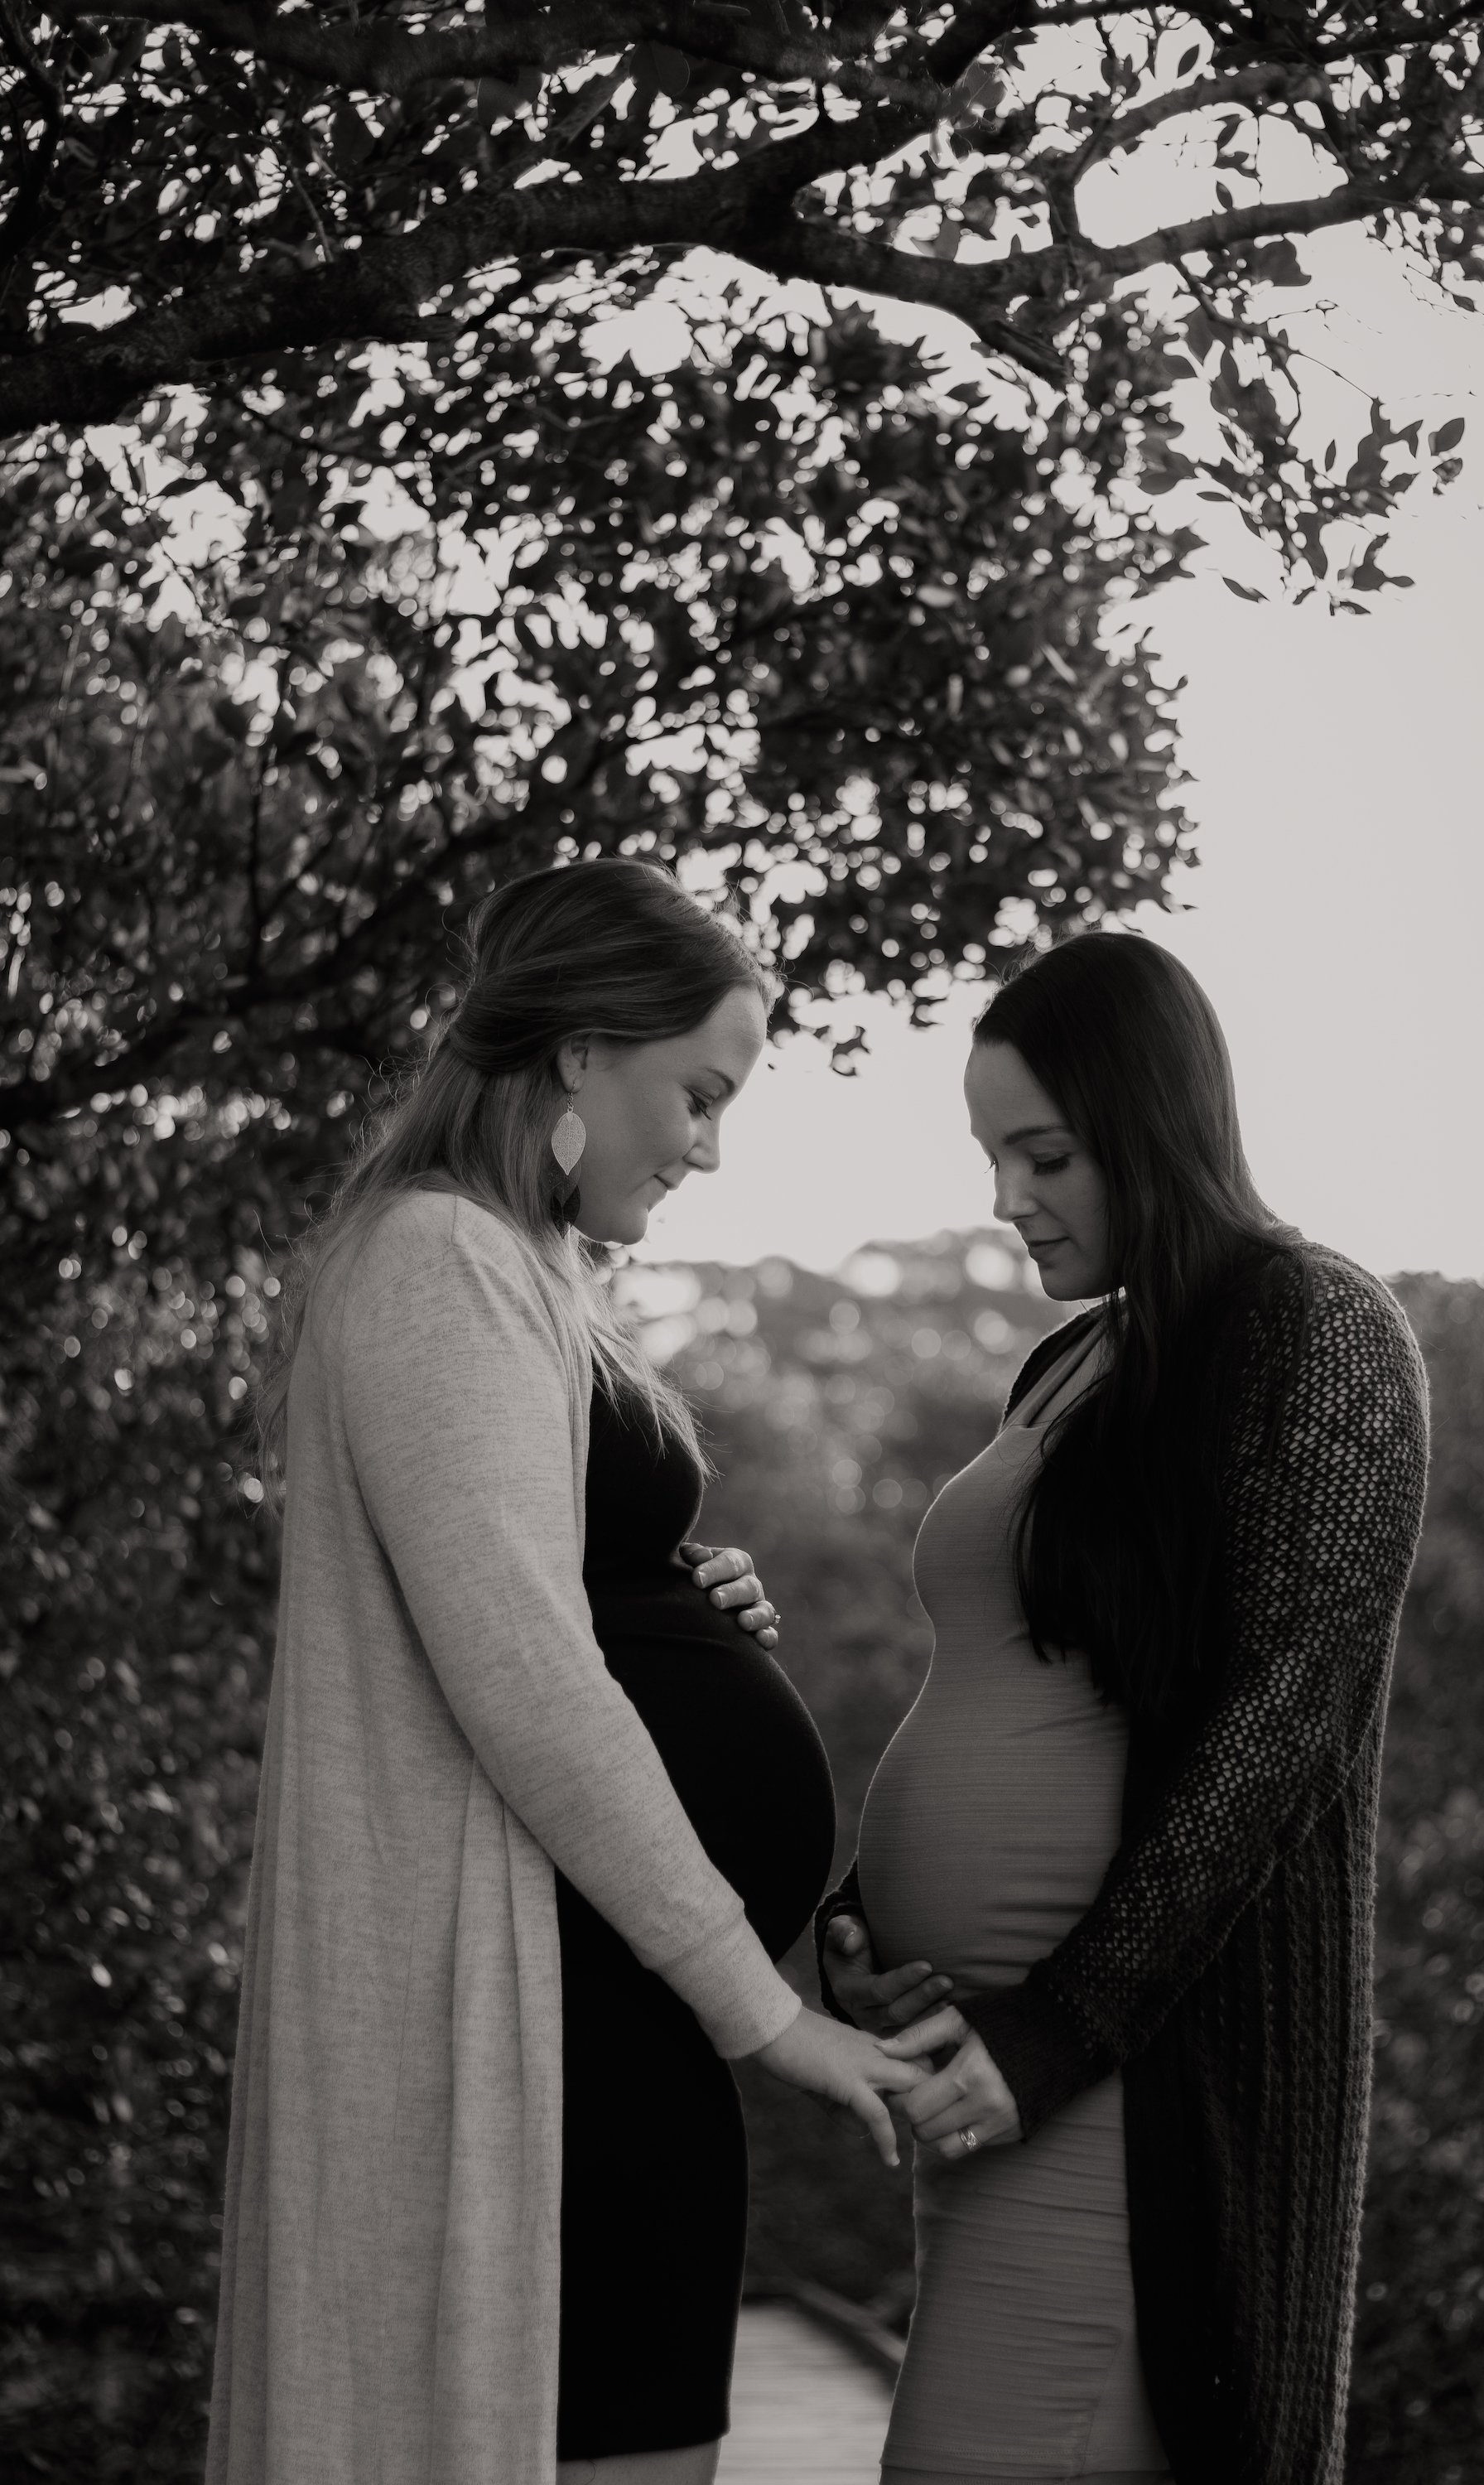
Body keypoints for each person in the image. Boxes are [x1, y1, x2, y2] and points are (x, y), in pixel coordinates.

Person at [209, 857, 919, 2485]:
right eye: (699, 1094)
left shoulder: (524, 1268)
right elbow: (521, 1673)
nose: (707, 1147)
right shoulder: (437, 1260)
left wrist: (666, 1591)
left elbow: (530, 1587)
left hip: (612, 2011)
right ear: (583, 1049)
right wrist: (767, 2015)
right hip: (548, 2024)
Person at [819, 930, 1429, 2485]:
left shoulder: (1317, 1328)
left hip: (1127, 2085)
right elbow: (1021, 1678)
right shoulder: (1072, 1361)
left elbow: (1284, 1720)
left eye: (1046, 1156)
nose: (1007, 1198)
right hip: (989, 2080)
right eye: (991, 1157)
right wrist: (861, 1917)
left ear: (1152, 1126)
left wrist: (1061, 2025)